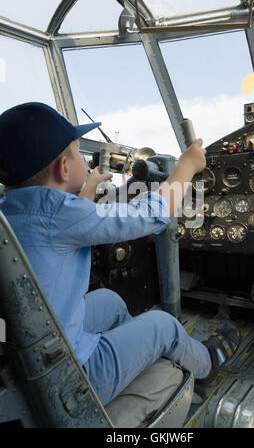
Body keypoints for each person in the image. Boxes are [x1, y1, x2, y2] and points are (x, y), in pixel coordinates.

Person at [0, 102, 240, 405]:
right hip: (70, 379)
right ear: (63, 168)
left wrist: (89, 188)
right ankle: (206, 363)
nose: (84, 161)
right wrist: (186, 168)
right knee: (163, 325)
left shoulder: (11, 210)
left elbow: (62, 220)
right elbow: (153, 213)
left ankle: (134, 360)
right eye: (78, 153)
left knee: (110, 301)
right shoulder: (60, 216)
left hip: (30, 351)